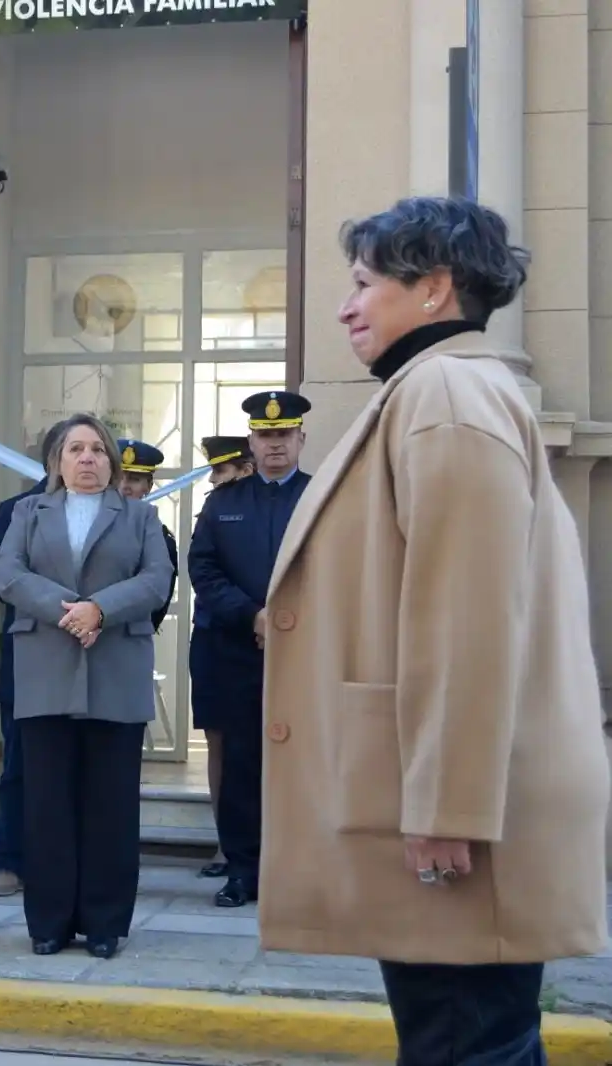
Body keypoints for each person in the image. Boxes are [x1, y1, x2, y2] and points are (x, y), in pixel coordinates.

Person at [261, 196, 609, 1064]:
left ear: (434, 290)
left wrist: (444, 806)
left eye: (364, 282)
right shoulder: (437, 390)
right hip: (442, 797)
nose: (345, 306)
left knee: (465, 1043)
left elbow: (466, 616)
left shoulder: (445, 393)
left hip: (454, 816)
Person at [0, 413, 174, 959]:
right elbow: (9, 573)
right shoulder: (28, 512)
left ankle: (104, 923)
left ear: (112, 462)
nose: (87, 459)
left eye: (97, 449)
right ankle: (49, 922)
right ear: (57, 460)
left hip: (114, 670)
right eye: (75, 449)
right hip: (46, 671)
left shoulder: (140, 516)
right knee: (47, 802)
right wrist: (67, 612)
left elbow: (156, 578)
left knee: (110, 805)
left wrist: (100, 609)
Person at [187, 391, 311, 909]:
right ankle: (243, 871)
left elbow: (344, 570)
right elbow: (204, 569)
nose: (275, 445)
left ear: (300, 439)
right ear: (252, 443)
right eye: (265, 436)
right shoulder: (224, 503)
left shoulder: (323, 495)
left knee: (303, 768)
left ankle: (299, 873)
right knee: (240, 767)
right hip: (238, 651)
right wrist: (252, 615)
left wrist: (287, 621)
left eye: (284, 436)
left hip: (305, 653)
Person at [0, 420, 66, 898]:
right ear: (52, 458)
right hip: (29, 653)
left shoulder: (112, 511)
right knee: (19, 764)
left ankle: (69, 861)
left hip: (88, 655)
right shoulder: (16, 510)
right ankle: (11, 858)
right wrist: (53, 604)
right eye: (70, 450)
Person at [188, 434, 255, 881]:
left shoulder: (260, 508)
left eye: (224, 469)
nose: (216, 478)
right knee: (219, 742)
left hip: (263, 638)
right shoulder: (214, 511)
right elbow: (203, 570)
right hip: (214, 636)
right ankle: (224, 841)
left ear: (246, 468)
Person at [113, 439, 179, 632]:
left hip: (131, 637)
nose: (124, 486)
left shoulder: (158, 536)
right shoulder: (87, 525)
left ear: (148, 486)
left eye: (134, 479)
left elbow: (158, 603)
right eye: (119, 477)